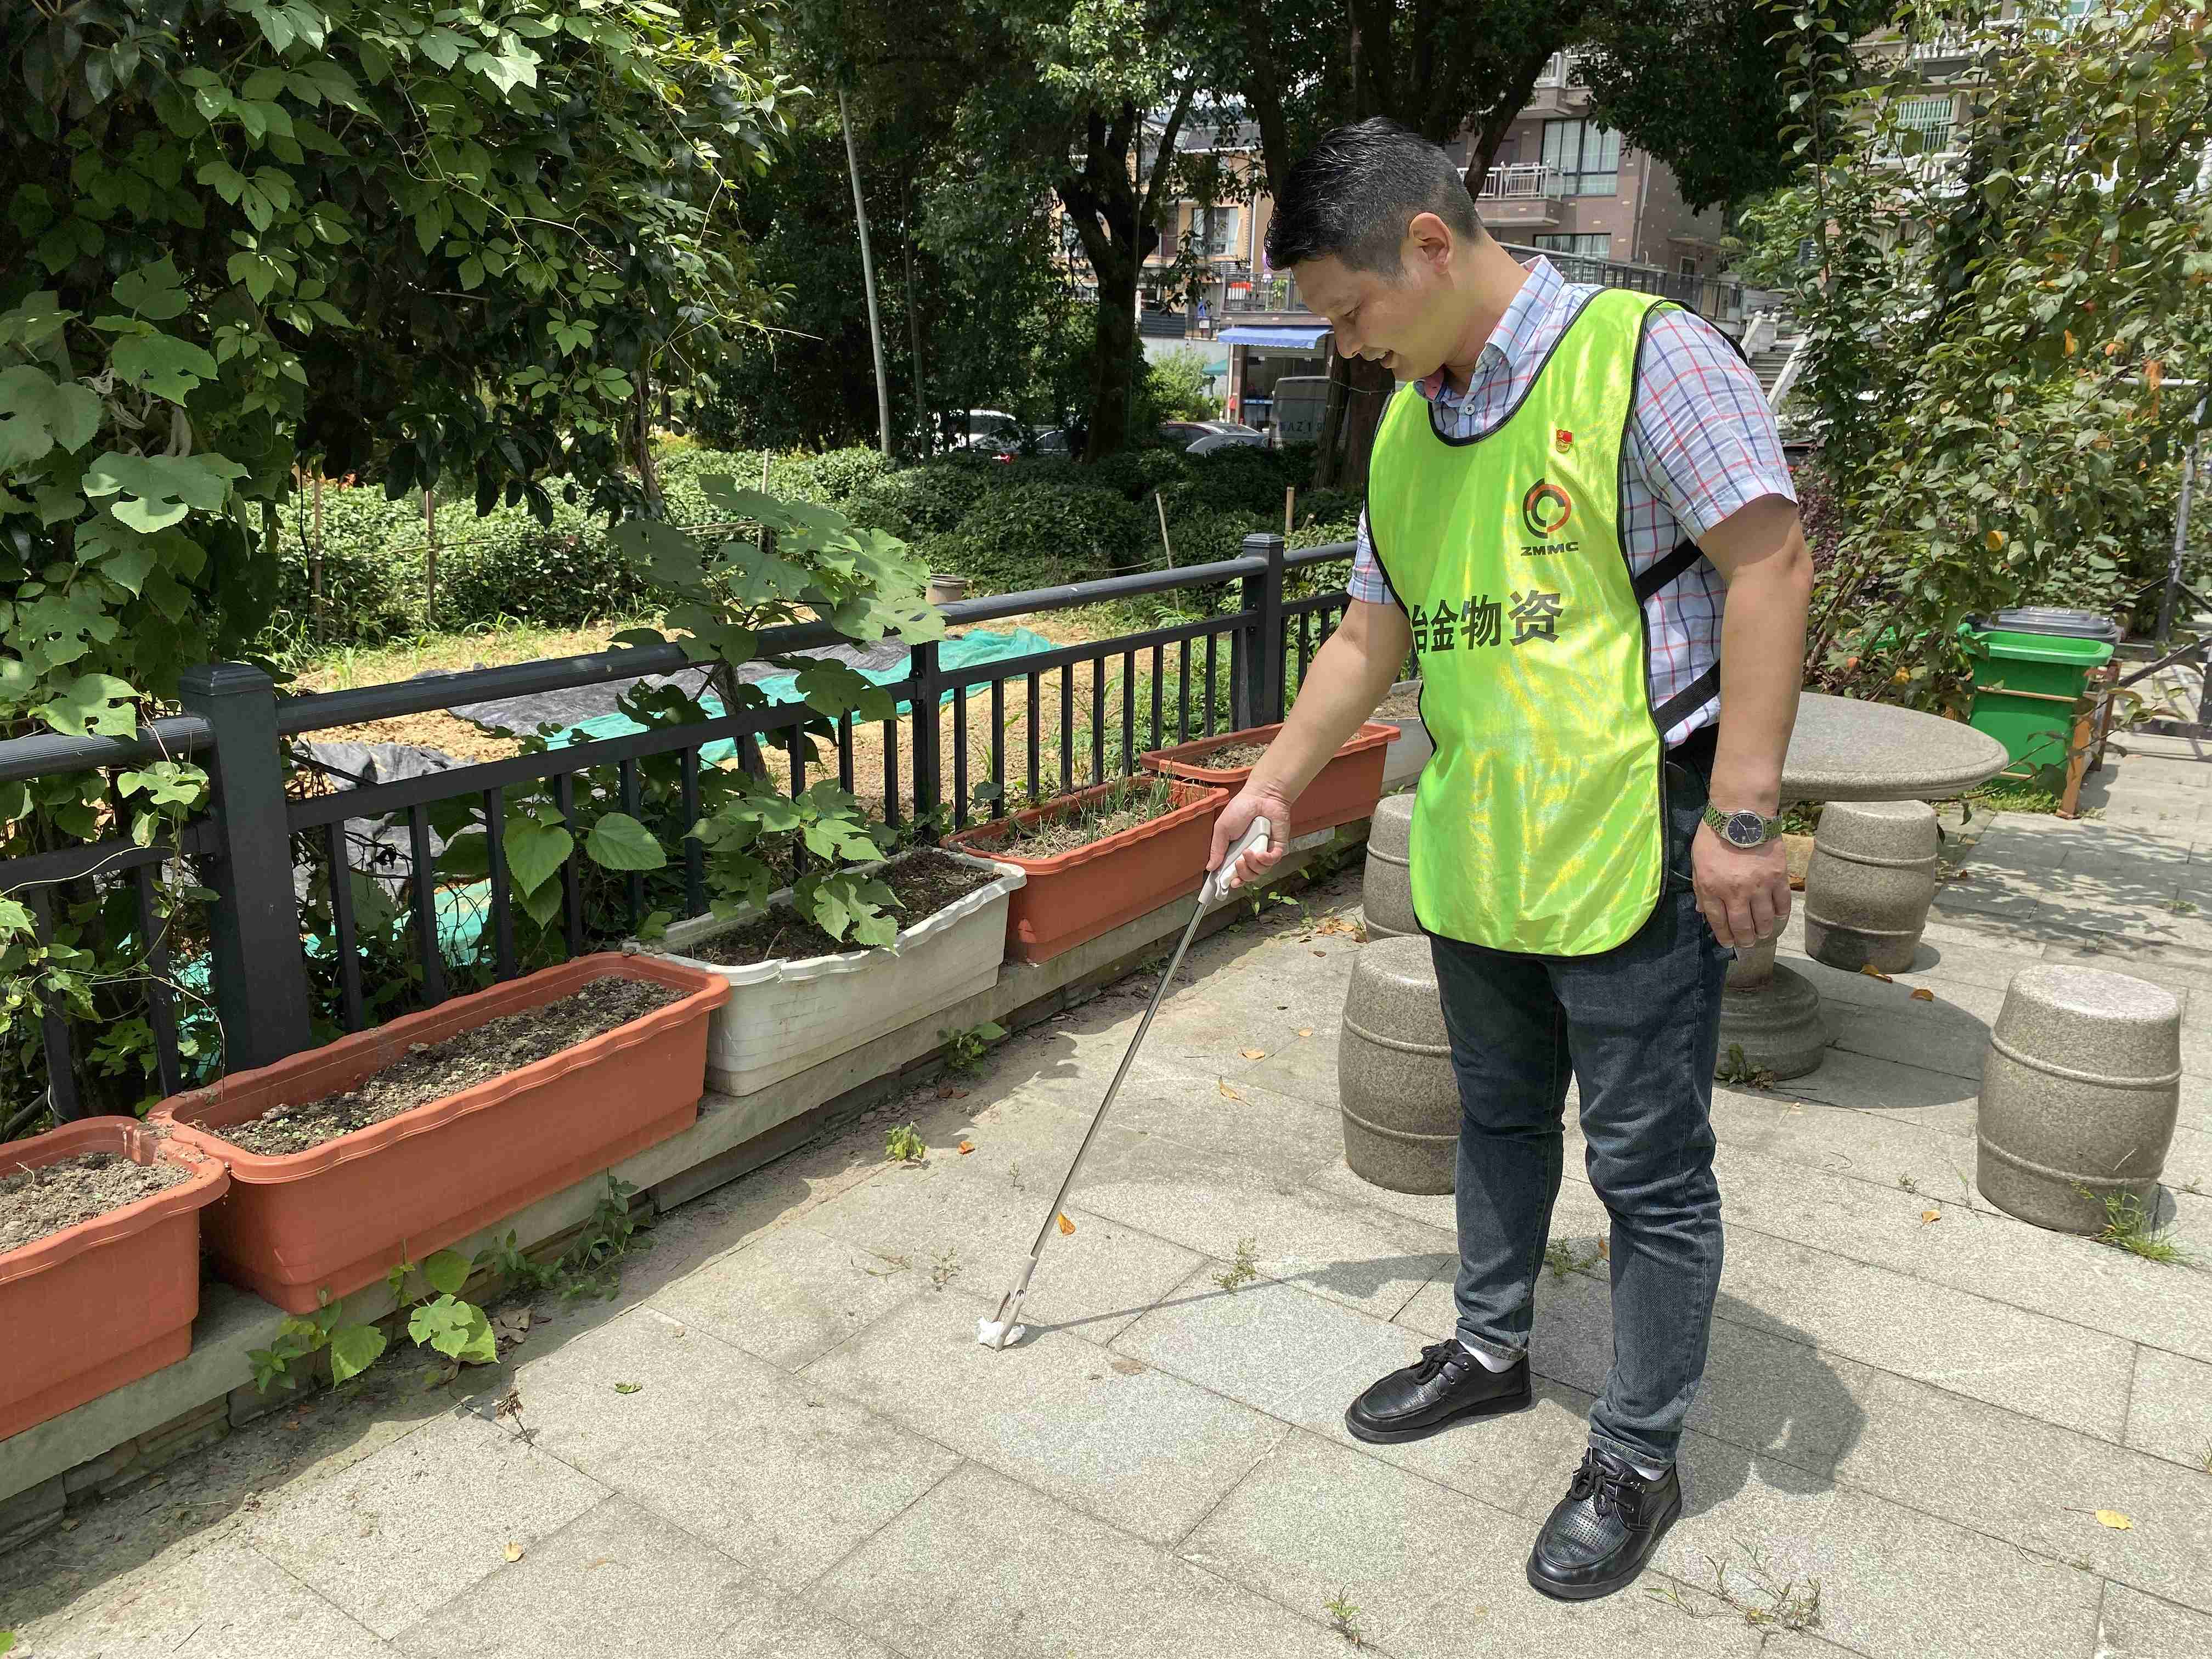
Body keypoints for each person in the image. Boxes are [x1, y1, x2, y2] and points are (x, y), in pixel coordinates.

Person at [1206, 117, 1810, 1601]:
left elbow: (1771, 563)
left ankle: (1639, 1452)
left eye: (1353, 311)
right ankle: (1490, 1348)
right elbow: (1373, 635)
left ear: (1430, 244)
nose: (1348, 348)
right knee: (1495, 1116)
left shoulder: (1645, 358)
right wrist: (1269, 786)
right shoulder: (1412, 429)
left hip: (1638, 829)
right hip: (1486, 836)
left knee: (1648, 1165)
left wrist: (1741, 817)